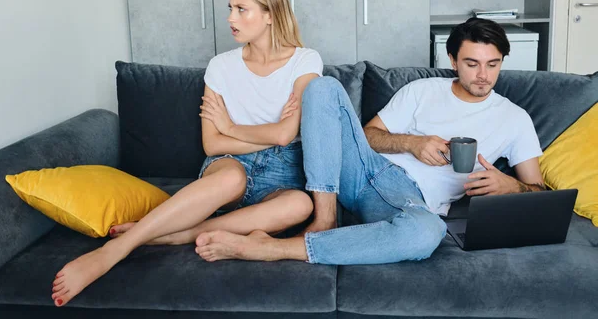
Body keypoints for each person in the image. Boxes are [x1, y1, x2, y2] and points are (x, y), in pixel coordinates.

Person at [51, 0, 323, 306]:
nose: (230, 18)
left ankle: (184, 232)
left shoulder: (305, 60)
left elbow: (286, 134)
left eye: (241, 9)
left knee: (302, 204)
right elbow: (213, 144)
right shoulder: (221, 66)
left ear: (270, 14)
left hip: (283, 174)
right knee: (230, 176)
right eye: (230, 8)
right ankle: (115, 250)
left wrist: (232, 128)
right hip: (229, 167)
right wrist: (258, 135)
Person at [193, 18, 546, 265]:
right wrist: (412, 143)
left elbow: (542, 193)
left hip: (408, 202)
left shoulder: (514, 119)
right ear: (452, 60)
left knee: (427, 234)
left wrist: (510, 186)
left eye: (492, 64)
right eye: (472, 63)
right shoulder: (422, 90)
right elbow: (366, 136)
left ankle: (275, 249)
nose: (483, 75)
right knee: (323, 87)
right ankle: (325, 216)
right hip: (363, 172)